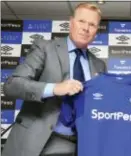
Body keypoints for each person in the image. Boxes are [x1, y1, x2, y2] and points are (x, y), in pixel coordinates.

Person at [2, 2, 106, 156]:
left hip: (79, 146)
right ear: (71, 23)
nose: (86, 28)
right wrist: (54, 88)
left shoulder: (99, 65)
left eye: (92, 24)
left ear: (96, 31)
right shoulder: (44, 48)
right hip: (37, 143)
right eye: (82, 21)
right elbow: (12, 85)